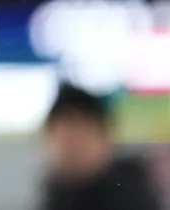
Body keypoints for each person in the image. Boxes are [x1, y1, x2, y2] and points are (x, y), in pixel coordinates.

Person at [40, 82, 163, 210]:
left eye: (80, 136)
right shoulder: (53, 196)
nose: (73, 149)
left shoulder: (131, 197)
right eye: (64, 138)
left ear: (106, 138)